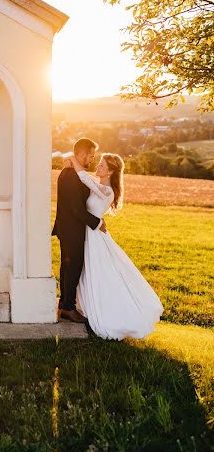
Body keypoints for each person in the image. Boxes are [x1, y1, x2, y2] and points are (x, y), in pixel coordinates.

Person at [63, 151, 163, 340]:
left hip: (94, 237)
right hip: (89, 233)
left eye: (102, 165)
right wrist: (70, 160)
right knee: (83, 271)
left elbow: (84, 177)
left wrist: (74, 159)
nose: (98, 166)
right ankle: (78, 305)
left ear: (110, 172)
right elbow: (85, 179)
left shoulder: (107, 191)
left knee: (98, 273)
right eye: (99, 163)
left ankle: (107, 312)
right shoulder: (100, 185)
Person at [52, 137, 107, 323]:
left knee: (68, 267)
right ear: (81, 154)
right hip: (71, 229)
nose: (91, 160)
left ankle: (64, 303)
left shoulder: (71, 172)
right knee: (72, 268)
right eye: (90, 156)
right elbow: (77, 209)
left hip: (68, 228)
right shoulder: (71, 176)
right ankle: (68, 307)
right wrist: (97, 223)